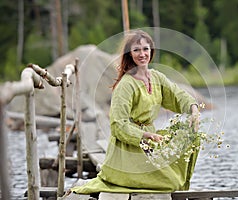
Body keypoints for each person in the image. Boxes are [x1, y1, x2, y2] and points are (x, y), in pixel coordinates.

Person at [69, 29, 200, 200]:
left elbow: (177, 94)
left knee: (190, 137)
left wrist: (193, 108)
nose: (142, 54)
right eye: (136, 50)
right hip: (128, 147)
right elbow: (117, 125)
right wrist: (144, 135)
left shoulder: (157, 77)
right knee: (168, 182)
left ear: (151, 51)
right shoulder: (126, 84)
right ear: (130, 54)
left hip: (150, 142)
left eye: (145, 49)